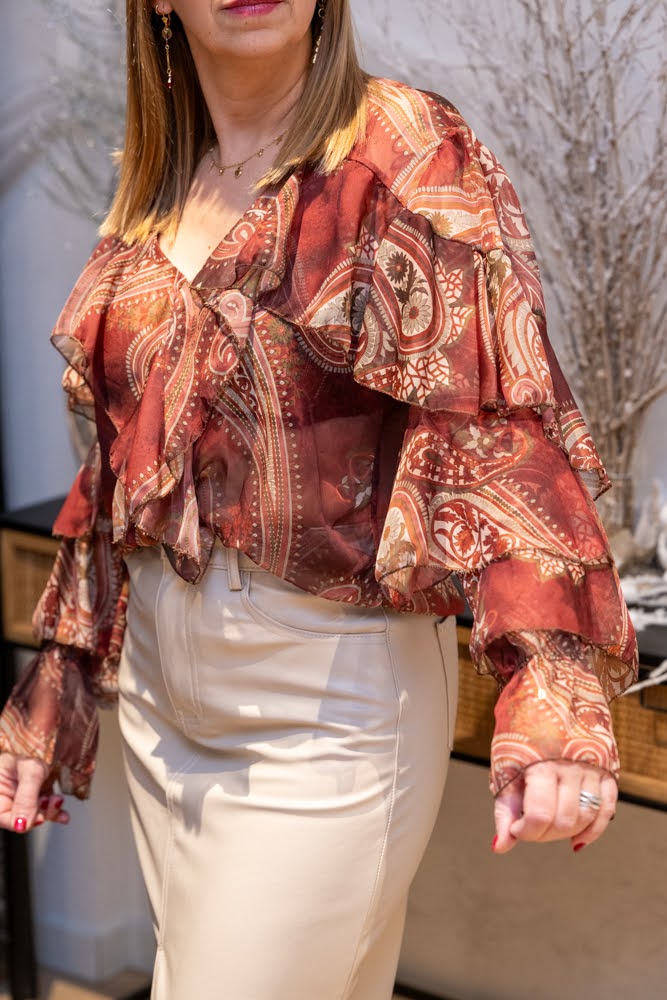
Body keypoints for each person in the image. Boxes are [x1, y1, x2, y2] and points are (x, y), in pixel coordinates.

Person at [0, 1, 638, 997]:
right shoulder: (161, 184)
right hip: (162, 708)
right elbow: (127, 464)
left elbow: (496, 427)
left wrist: (549, 682)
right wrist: (63, 676)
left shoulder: (404, 147)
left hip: (326, 710)